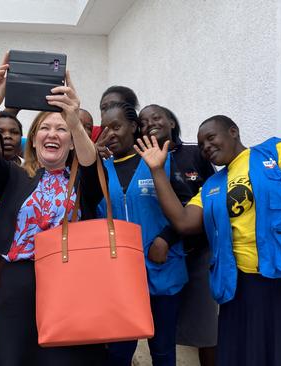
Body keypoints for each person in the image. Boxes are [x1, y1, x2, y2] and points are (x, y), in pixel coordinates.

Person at [134, 115, 281, 366]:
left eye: (211, 137)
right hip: (242, 287)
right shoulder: (213, 185)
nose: (206, 147)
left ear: (233, 131)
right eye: (201, 144)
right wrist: (157, 171)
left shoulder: (276, 152)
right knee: (250, 356)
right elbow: (183, 221)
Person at [0, 53, 107, 366]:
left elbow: (90, 164)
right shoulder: (16, 176)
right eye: (45, 128)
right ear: (32, 141)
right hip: (20, 284)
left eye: (62, 130)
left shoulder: (83, 178)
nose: (53, 134)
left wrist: (74, 118)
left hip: (71, 284)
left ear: (72, 142)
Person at [97, 101, 192, 366]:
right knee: (118, 353)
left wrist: (166, 238)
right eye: (105, 128)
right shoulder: (101, 170)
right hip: (119, 278)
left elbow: (188, 207)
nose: (110, 134)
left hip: (162, 271)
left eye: (116, 126)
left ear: (134, 127)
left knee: (162, 351)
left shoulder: (160, 160)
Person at [139, 104, 217, 366]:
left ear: (172, 122)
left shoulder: (196, 155)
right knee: (165, 329)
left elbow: (205, 201)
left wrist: (167, 237)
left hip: (197, 254)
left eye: (157, 117)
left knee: (207, 331)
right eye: (143, 121)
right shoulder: (141, 162)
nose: (150, 122)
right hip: (161, 262)